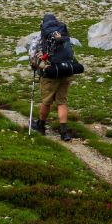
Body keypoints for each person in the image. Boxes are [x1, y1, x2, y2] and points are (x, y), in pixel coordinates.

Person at [31, 12, 81, 141]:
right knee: (62, 102)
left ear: (43, 24)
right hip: (66, 71)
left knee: (46, 101)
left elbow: (32, 54)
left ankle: (41, 126)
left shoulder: (41, 37)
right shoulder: (63, 34)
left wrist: (36, 65)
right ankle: (64, 132)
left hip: (50, 72)